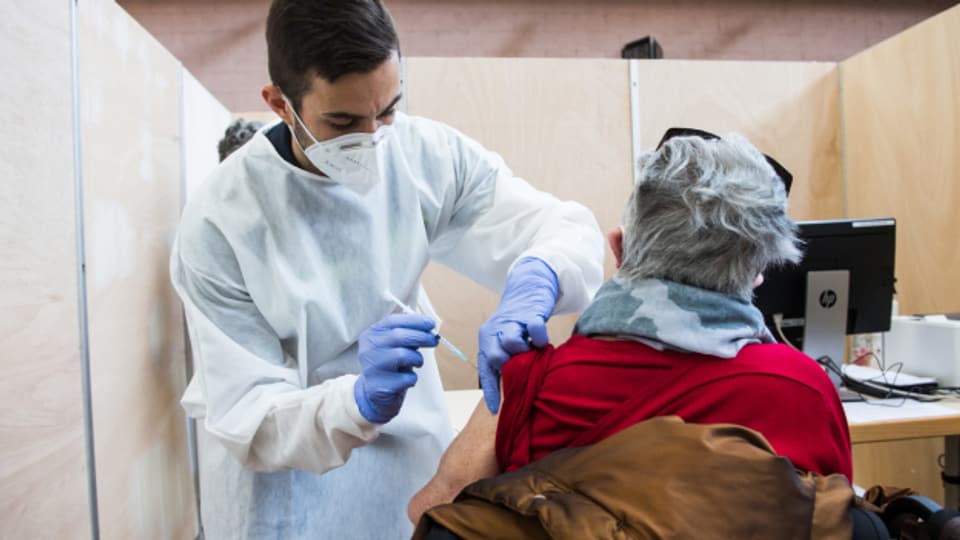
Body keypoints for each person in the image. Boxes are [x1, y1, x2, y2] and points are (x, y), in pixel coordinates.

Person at [168, 0, 603, 538]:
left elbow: (562, 229)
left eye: (389, 108)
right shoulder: (220, 223)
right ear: (280, 104)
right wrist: (355, 400)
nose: (374, 138)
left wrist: (537, 279)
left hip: (408, 467)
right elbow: (249, 418)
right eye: (344, 121)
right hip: (286, 494)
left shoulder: (427, 157)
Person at [408, 129, 854, 528]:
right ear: (757, 274)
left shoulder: (530, 385)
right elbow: (830, 519)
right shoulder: (803, 390)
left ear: (618, 247)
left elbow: (431, 513)